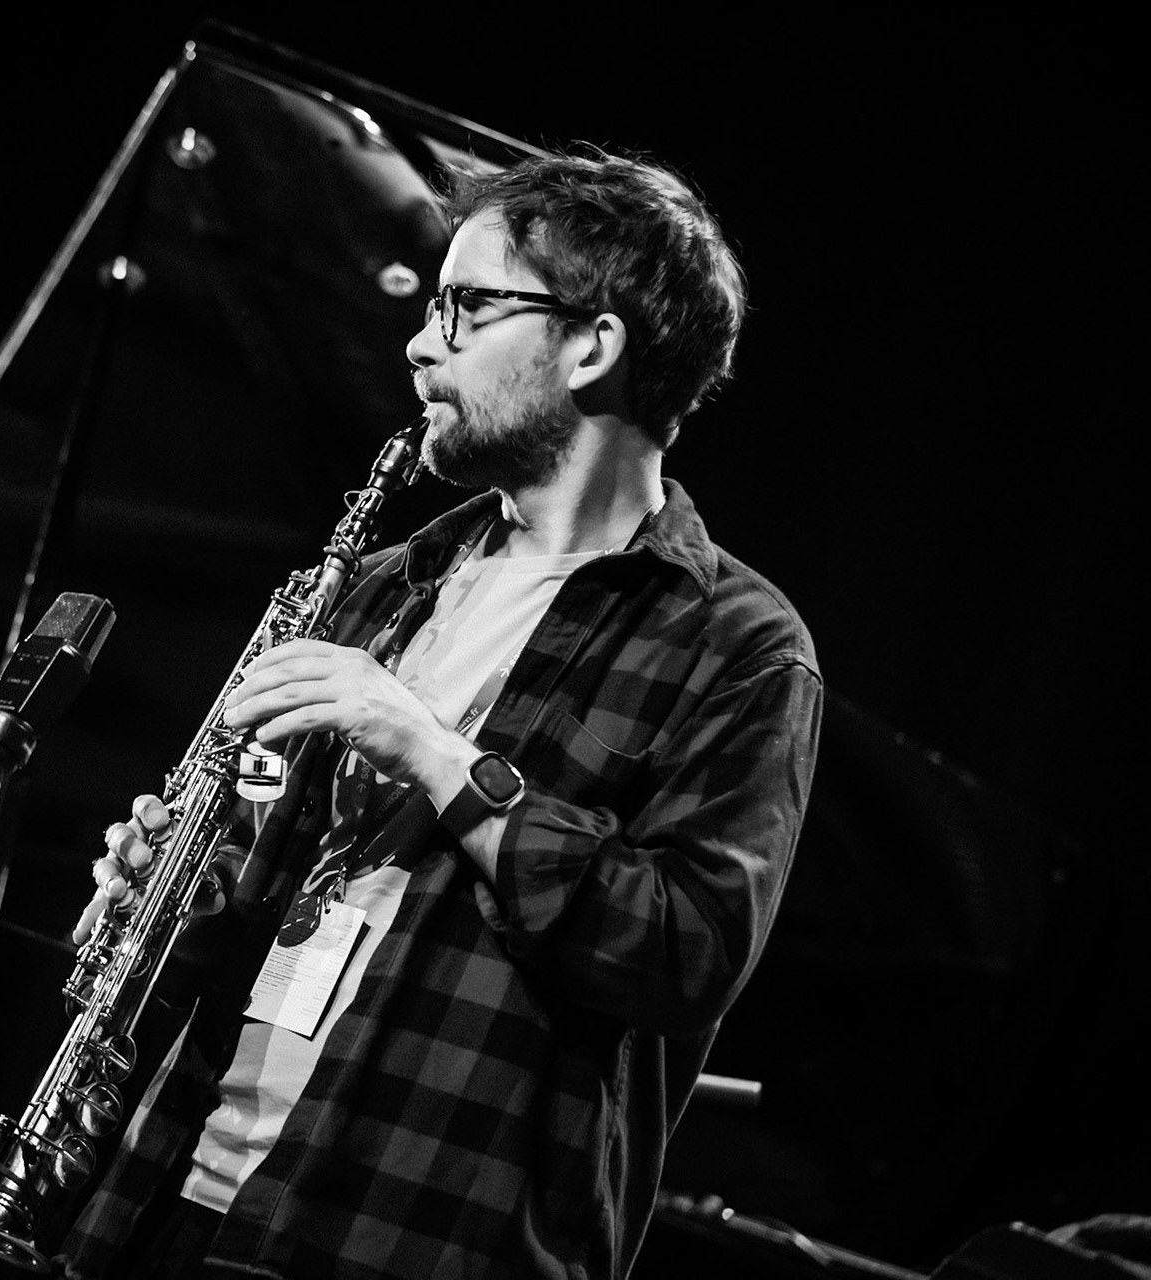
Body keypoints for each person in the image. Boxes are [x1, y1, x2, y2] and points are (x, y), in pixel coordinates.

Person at [61, 146, 822, 1280]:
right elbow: (285, 883)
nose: (422, 343)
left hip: (408, 1231)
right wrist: (189, 888)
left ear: (592, 344)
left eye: (467, 307)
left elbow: (683, 950)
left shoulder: (739, 644)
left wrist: (431, 748)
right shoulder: (383, 581)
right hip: (182, 1192)